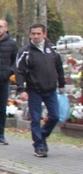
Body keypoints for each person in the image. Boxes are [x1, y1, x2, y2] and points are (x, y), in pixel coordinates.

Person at [15, 23, 65, 158]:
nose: (36, 36)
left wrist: (62, 83)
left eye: (39, 33)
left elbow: (59, 67)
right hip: (34, 90)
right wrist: (21, 90)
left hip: (50, 89)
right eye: (33, 34)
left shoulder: (53, 50)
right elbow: (19, 72)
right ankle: (39, 146)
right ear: (30, 35)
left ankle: (41, 136)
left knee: (55, 116)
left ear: (44, 34)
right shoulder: (26, 52)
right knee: (36, 118)